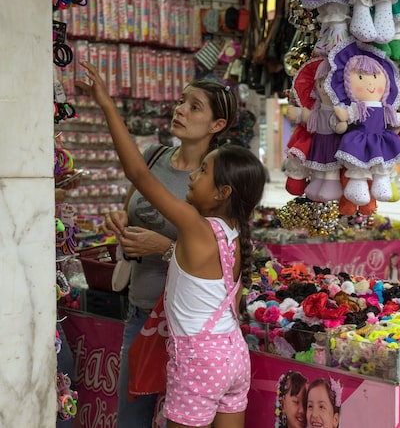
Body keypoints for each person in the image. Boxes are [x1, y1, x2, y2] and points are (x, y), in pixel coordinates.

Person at [79, 62, 266, 428]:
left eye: (202, 173)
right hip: (231, 353)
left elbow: (137, 174)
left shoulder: (195, 227)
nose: (192, 177)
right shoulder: (234, 234)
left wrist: (106, 105)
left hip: (196, 358)